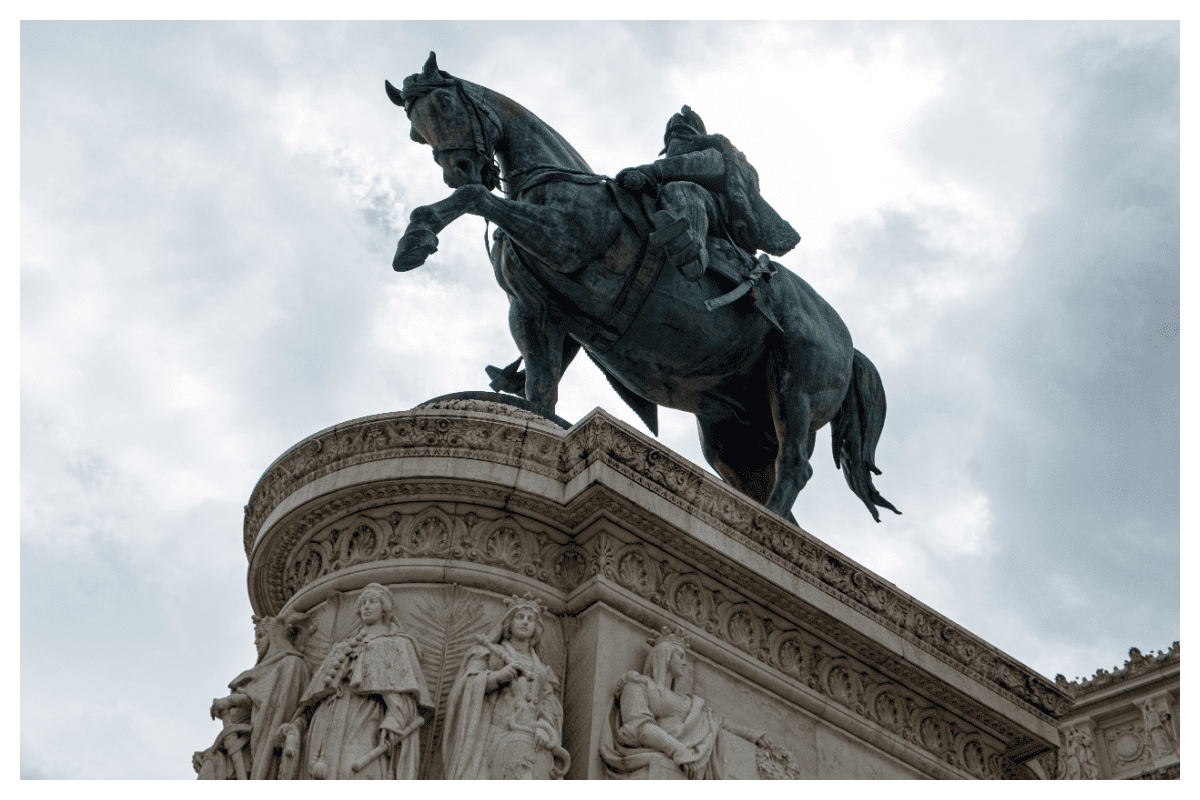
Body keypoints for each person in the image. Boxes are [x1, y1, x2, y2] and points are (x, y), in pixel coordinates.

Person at [616, 105, 800, 282]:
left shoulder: (714, 154)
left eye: (680, 136)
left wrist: (652, 171)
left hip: (722, 216)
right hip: (679, 202)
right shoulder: (668, 167)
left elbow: (702, 166)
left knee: (684, 191)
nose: (675, 142)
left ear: (695, 138)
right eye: (671, 138)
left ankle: (692, 252)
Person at [294, 584, 432, 779]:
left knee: (354, 774)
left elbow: (402, 697)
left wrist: (394, 721)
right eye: (363, 603)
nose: (366, 607)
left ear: (384, 608)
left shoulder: (397, 643)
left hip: (365, 714)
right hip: (328, 717)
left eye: (372, 602)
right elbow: (311, 700)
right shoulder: (342, 647)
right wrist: (297, 724)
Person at [599, 626, 764, 779]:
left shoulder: (688, 701)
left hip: (686, 760)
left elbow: (716, 722)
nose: (685, 662)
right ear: (665, 655)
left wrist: (752, 735)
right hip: (665, 756)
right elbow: (639, 727)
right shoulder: (638, 684)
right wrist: (678, 750)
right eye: (680, 655)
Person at [442, 594, 569, 779]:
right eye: (520, 617)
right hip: (492, 735)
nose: (525, 622)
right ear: (509, 623)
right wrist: (497, 677)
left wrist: (544, 725)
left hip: (529, 742)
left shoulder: (542, 671)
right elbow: (467, 684)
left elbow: (549, 701)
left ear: (536, 628)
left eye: (530, 618)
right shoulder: (489, 653)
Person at [195, 613, 311, 780]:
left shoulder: (290, 664)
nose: (256, 642)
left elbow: (263, 699)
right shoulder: (260, 672)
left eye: (261, 636)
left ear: (275, 637)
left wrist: (230, 701)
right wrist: (209, 751)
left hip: (257, 750)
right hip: (234, 746)